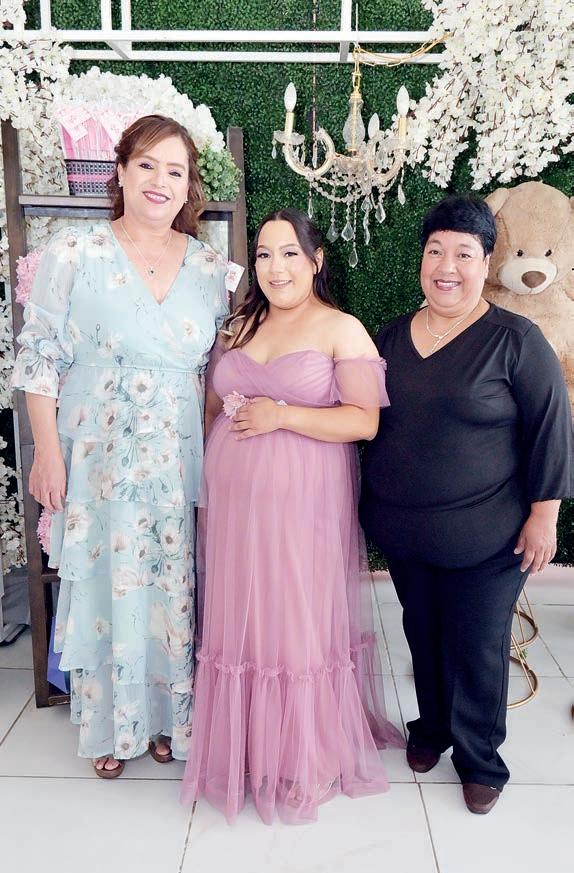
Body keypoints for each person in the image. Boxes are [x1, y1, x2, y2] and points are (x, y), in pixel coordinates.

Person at [12, 114, 228, 777]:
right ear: (122, 172)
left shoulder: (211, 269)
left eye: (175, 170)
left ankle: (165, 719)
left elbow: (219, 373)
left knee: (170, 585)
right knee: (106, 585)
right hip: (96, 456)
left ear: (189, 185)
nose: (161, 181)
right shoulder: (73, 254)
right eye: (147, 165)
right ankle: (109, 723)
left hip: (176, 458)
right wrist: (47, 454)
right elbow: (38, 357)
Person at [181, 208, 404, 824]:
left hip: (304, 502)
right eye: (263, 255)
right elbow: (213, 409)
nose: (275, 268)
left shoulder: (341, 329)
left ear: (315, 260)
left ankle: (307, 756)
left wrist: (282, 415)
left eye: (288, 254)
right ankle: (250, 746)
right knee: (243, 616)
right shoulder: (238, 326)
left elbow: (363, 420)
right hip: (234, 505)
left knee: (293, 614)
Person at [360, 195, 573, 814]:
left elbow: (551, 428)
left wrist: (544, 516)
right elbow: (366, 420)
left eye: (463, 253)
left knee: (477, 646)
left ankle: (481, 760)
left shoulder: (516, 340)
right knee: (422, 635)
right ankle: (432, 728)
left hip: (489, 538)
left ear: (486, 262)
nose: (446, 266)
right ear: (421, 261)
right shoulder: (392, 336)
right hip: (405, 533)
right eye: (435, 251)